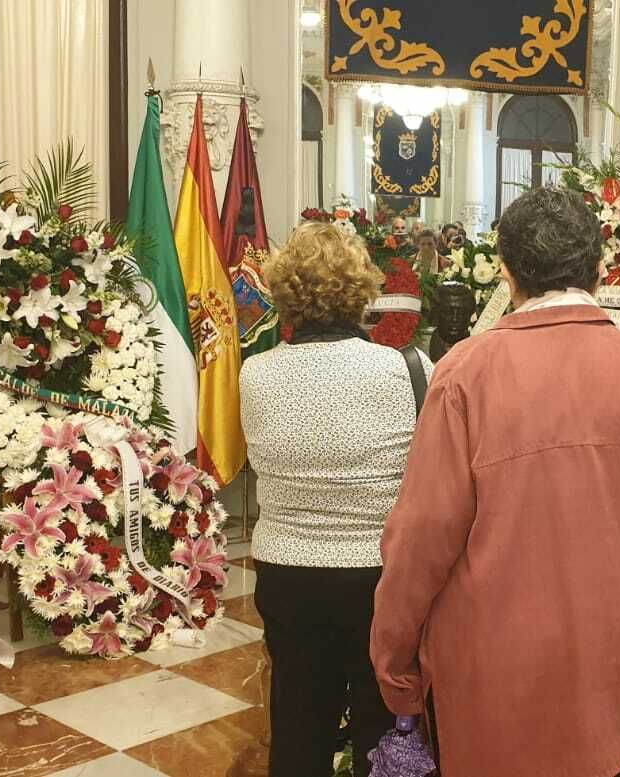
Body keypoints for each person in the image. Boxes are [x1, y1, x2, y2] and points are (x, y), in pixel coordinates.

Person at [371, 187, 620, 777]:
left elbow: (421, 539)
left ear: (505, 273)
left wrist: (396, 665)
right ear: (598, 272)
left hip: (495, 682)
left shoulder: (466, 374)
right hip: (617, 672)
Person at [240, 221, 433, 777]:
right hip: (379, 572)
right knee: (382, 716)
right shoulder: (408, 368)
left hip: (286, 570)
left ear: (286, 295)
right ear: (362, 291)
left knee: (299, 715)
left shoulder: (255, 373)